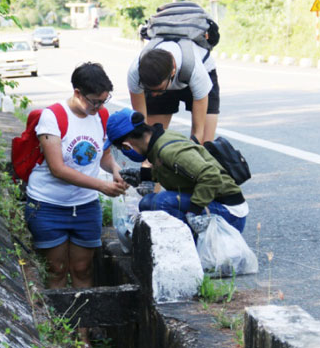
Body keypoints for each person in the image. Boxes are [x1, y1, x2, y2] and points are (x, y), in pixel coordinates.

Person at [24, 62, 127, 345]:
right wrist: (103, 186)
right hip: (48, 206)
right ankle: (61, 335)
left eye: (104, 101)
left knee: (83, 270)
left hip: (85, 207)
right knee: (56, 270)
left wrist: (115, 173)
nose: (99, 107)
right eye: (95, 101)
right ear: (78, 93)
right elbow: (58, 168)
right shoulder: (52, 117)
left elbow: (103, 156)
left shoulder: (101, 116)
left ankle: (82, 336)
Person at [104, 108, 248, 234]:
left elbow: (211, 176)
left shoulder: (167, 150)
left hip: (230, 211)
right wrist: (143, 175)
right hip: (215, 202)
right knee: (146, 203)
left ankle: (192, 250)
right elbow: (177, 172)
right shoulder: (159, 141)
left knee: (161, 202)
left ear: (127, 145)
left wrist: (194, 212)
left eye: (121, 149)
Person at [128, 37, 220, 145]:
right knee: (153, 140)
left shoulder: (196, 72)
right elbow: (143, 127)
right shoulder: (135, 74)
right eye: (148, 90)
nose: (153, 94)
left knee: (205, 145)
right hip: (165, 79)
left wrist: (187, 154)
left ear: (173, 72)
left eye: (158, 90)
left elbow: (198, 133)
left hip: (199, 72)